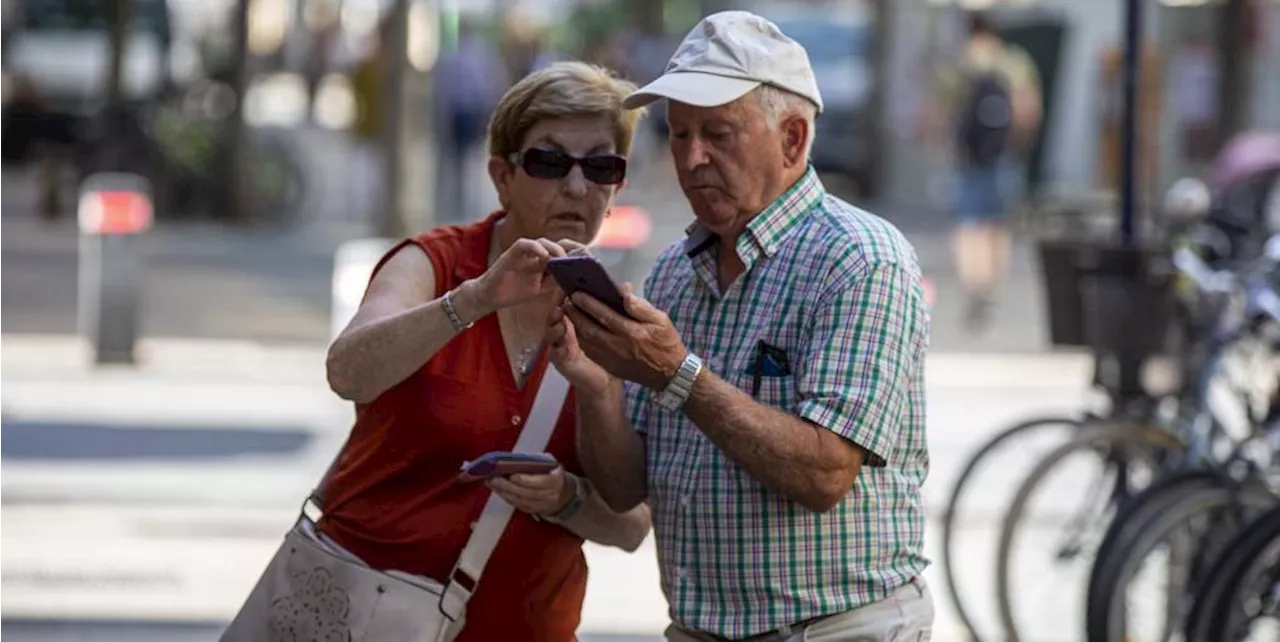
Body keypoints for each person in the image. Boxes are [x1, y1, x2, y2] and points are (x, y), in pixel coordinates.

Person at [545, 11, 933, 642]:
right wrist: (596, 386)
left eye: (719, 133)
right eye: (679, 135)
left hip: (833, 629)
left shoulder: (861, 258)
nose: (693, 158)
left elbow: (824, 474)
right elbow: (625, 489)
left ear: (793, 140)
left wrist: (676, 374)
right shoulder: (675, 270)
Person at [322, 61, 652, 642]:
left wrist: (565, 498)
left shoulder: (616, 315)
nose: (577, 188)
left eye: (601, 166)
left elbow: (630, 525)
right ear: (502, 176)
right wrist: (471, 301)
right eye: (550, 163)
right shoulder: (436, 264)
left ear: (617, 186)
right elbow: (347, 371)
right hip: (368, 616)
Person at [933, 13, 1043, 332]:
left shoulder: (960, 62)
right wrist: (1019, 144)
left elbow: (942, 111)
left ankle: (974, 284)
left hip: (968, 156)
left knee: (968, 223)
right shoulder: (1014, 61)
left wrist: (947, 144)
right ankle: (990, 285)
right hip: (1004, 154)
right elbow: (1028, 108)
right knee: (997, 224)